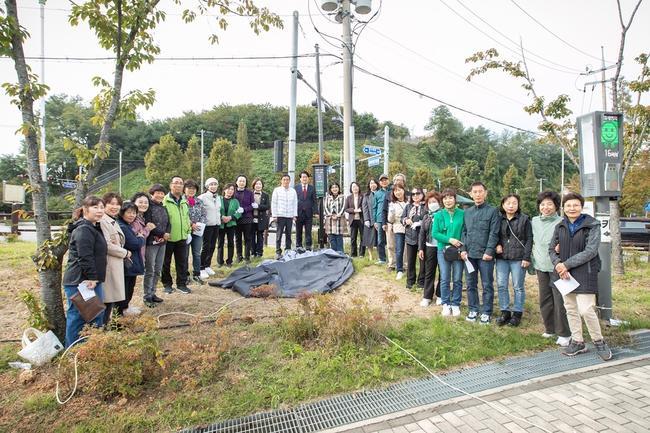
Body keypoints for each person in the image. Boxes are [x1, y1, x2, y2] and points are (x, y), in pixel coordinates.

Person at [549, 192, 612, 360]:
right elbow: (551, 249)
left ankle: (599, 341)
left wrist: (565, 265)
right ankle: (577, 342)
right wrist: (558, 264)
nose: (572, 208)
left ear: (581, 206)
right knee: (570, 308)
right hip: (564, 274)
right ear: (563, 208)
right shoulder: (560, 226)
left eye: (575, 205)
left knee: (586, 310)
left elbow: (590, 251)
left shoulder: (592, 225)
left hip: (586, 271)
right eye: (568, 205)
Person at [63, 196, 107, 347]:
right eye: (95, 207)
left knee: (94, 315)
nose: (100, 210)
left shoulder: (92, 227)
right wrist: (92, 278)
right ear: (85, 209)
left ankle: (89, 349)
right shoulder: (84, 229)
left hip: (90, 280)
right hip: (81, 281)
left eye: (102, 207)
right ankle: (72, 350)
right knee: (78, 316)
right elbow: (85, 256)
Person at [532, 190, 570, 346]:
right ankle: (549, 328)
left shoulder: (562, 222)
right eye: (542, 204)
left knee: (560, 300)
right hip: (540, 265)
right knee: (545, 299)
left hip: (558, 266)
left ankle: (564, 333)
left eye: (549, 204)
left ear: (556, 206)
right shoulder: (534, 221)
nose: (545, 207)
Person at [461, 181, 500, 324]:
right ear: (470, 194)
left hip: (485, 256)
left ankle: (486, 312)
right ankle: (473, 309)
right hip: (469, 255)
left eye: (480, 191)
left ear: (485, 193)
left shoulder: (493, 211)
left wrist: (489, 251)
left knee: (487, 284)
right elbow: (464, 232)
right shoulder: (467, 212)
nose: (478, 194)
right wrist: (463, 249)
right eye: (475, 192)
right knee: (470, 283)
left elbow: (494, 233)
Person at [495, 194, 532, 327]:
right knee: (501, 285)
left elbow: (529, 239)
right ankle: (505, 311)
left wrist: (526, 257)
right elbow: (495, 235)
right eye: (508, 203)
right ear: (503, 205)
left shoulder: (524, 219)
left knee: (518, 286)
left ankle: (517, 313)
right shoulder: (499, 219)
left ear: (518, 205)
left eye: (514, 203)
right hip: (502, 257)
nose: (511, 206)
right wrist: (497, 245)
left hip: (518, 258)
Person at [433, 189, 465, 317]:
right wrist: (449, 239)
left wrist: (461, 244)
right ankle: (445, 303)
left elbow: (465, 231)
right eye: (445, 198)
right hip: (443, 250)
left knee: (457, 278)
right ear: (442, 201)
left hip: (458, 250)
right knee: (445, 278)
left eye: (450, 198)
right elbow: (435, 233)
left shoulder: (462, 213)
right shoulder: (438, 215)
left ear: (455, 199)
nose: (448, 200)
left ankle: (456, 303)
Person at [99, 192, 128, 325]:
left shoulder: (112, 220)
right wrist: (125, 253)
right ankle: (102, 328)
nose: (114, 207)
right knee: (106, 299)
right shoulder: (103, 221)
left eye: (117, 204)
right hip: (108, 264)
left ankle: (105, 326)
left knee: (110, 299)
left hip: (114, 264)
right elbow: (108, 245)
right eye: (111, 203)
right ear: (104, 205)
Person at [162, 175, 192, 294]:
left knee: (182, 262)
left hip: (182, 237)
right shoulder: (165, 200)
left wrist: (188, 232)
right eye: (176, 182)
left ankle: (181, 284)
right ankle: (167, 284)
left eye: (181, 183)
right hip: (168, 238)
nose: (178, 185)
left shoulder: (184, 201)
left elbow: (186, 218)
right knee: (166, 263)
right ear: (171, 185)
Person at [116, 202, 145, 316]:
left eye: (134, 213)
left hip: (130, 262)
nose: (132, 215)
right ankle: (122, 311)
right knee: (126, 287)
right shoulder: (123, 226)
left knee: (129, 286)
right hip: (127, 263)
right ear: (122, 213)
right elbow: (134, 244)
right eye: (129, 212)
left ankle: (125, 308)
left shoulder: (127, 225)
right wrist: (141, 238)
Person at [143, 184, 170, 306]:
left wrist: (167, 233)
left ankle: (153, 292)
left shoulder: (163, 207)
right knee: (150, 269)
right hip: (151, 242)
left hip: (162, 242)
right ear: (152, 194)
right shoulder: (148, 207)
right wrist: (162, 233)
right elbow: (149, 224)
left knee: (158, 269)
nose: (160, 195)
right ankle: (147, 296)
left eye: (162, 193)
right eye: (157, 193)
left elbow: (168, 223)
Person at [418, 191, 441, 307]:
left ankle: (440, 295)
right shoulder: (426, 217)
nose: (432, 204)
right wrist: (421, 248)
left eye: (434, 201)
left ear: (439, 203)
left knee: (443, 272)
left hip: (442, 247)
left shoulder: (443, 215)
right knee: (429, 272)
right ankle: (427, 296)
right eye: (430, 202)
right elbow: (422, 233)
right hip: (429, 247)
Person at [402, 187, 426, 288]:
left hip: (423, 237)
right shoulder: (408, 206)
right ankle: (410, 281)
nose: (415, 196)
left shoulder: (426, 206)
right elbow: (402, 218)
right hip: (410, 236)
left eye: (418, 193)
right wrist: (406, 220)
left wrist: (420, 223)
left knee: (423, 261)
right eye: (413, 194)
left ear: (422, 194)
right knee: (411, 261)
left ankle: (421, 282)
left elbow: (428, 219)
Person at [383, 173, 407, 271]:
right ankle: (392, 264)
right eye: (396, 180)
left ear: (404, 182)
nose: (398, 181)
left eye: (400, 180)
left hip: (404, 224)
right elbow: (384, 209)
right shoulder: (388, 194)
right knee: (390, 244)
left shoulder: (408, 194)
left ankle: (404, 265)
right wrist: (384, 223)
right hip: (390, 222)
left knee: (404, 246)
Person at [184, 179, 207, 283]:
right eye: (189, 188)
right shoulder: (181, 201)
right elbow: (182, 216)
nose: (191, 190)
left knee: (197, 253)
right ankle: (185, 275)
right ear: (184, 189)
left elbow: (204, 215)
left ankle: (197, 274)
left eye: (194, 189)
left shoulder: (199, 201)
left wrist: (199, 224)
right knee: (184, 254)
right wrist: (191, 224)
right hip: (185, 231)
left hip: (198, 231)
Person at [271, 174, 298, 259]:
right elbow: (274, 203)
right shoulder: (277, 190)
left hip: (289, 216)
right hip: (280, 215)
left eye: (287, 180)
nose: (286, 181)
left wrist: (294, 215)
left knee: (288, 234)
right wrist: (274, 215)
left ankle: (288, 250)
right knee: (279, 234)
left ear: (289, 181)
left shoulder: (293, 191)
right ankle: (278, 251)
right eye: (284, 179)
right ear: (281, 181)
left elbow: (295, 203)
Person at [199, 178, 221, 280]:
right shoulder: (202, 197)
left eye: (215, 184)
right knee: (206, 246)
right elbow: (197, 209)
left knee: (212, 246)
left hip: (216, 224)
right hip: (207, 225)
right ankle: (201, 267)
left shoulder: (218, 197)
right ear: (207, 186)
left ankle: (207, 265)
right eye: (211, 184)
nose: (213, 186)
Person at [218, 183, 242, 267]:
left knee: (231, 243)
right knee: (220, 243)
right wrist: (221, 217)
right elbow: (215, 210)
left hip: (231, 224)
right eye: (228, 189)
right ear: (224, 190)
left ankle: (229, 261)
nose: (230, 191)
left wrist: (231, 217)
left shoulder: (235, 201)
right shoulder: (219, 199)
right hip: (220, 224)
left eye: (232, 189)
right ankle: (220, 262)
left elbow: (239, 212)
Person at [387, 184, 408, 280]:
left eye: (399, 190)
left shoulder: (409, 202)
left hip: (409, 228)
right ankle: (399, 270)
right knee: (399, 249)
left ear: (403, 190)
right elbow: (390, 220)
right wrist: (391, 213)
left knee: (409, 250)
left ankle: (408, 267)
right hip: (398, 227)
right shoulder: (392, 204)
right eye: (395, 191)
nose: (398, 192)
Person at [234, 175, 255, 263]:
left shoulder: (249, 193)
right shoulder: (233, 192)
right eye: (240, 181)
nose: (242, 182)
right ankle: (239, 256)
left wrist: (244, 209)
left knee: (248, 238)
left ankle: (247, 257)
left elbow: (252, 206)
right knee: (238, 238)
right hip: (236, 218)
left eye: (243, 181)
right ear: (236, 182)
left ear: (246, 183)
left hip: (247, 218)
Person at [295, 171, 317, 251]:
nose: (304, 178)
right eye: (303, 177)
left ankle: (308, 247)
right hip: (298, 213)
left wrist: (316, 212)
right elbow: (294, 201)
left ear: (308, 178)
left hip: (308, 213)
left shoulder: (312, 188)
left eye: (306, 177)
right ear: (300, 179)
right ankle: (298, 246)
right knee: (298, 231)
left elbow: (314, 201)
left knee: (308, 231)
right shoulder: (296, 188)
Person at [372, 174, 390, 264]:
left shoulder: (392, 191)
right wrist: (374, 221)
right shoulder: (377, 194)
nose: (384, 182)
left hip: (390, 218)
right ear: (380, 182)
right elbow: (374, 208)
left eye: (385, 180)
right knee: (380, 240)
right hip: (379, 219)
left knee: (391, 240)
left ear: (388, 181)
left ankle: (393, 259)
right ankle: (382, 259)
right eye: (382, 181)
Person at [324, 182, 346, 253]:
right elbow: (325, 207)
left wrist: (338, 215)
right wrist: (330, 214)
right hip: (330, 220)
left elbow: (344, 207)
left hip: (339, 219)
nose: (334, 189)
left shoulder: (342, 197)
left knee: (339, 237)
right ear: (330, 189)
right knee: (331, 238)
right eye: (333, 187)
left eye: (336, 187)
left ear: (339, 188)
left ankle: (340, 254)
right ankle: (333, 254)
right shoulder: (327, 197)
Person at [251, 177, 270, 257]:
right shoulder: (250, 194)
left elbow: (267, 206)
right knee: (251, 236)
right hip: (251, 218)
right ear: (254, 185)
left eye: (260, 184)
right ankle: (253, 252)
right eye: (256, 184)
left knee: (260, 236)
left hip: (261, 218)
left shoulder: (265, 195)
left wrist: (258, 206)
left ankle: (259, 252)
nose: (258, 185)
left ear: (262, 185)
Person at [345, 181, 365, 257]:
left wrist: (360, 209)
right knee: (353, 238)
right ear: (351, 188)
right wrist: (354, 210)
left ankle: (361, 254)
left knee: (363, 237)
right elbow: (346, 208)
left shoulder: (363, 196)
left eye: (356, 186)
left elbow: (365, 206)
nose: (355, 188)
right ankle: (353, 254)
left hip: (361, 219)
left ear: (359, 187)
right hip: (353, 220)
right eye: (353, 187)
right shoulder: (349, 197)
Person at [361, 178, 378, 261]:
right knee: (369, 239)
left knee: (379, 239)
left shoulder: (380, 193)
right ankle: (371, 255)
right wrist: (366, 219)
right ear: (369, 185)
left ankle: (379, 255)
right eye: (371, 183)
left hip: (378, 219)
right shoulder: (366, 195)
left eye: (374, 183)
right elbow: (364, 208)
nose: (373, 185)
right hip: (369, 220)